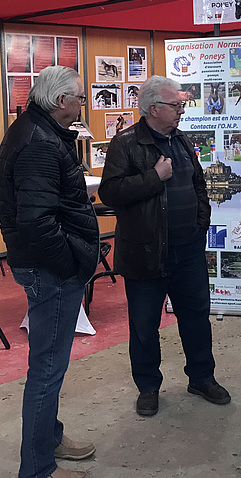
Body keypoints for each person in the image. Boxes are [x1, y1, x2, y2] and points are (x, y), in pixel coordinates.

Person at [98, 75, 230, 417]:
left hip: (188, 250)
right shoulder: (125, 143)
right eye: (176, 105)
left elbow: (198, 184)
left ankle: (202, 377)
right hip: (146, 251)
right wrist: (154, 177)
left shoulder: (182, 141)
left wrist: (201, 222)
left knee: (197, 318)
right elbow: (110, 193)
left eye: (181, 105)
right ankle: (148, 387)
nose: (181, 111)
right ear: (153, 108)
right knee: (144, 326)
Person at [0, 66, 100, 478]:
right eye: (79, 98)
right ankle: (36, 467)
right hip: (49, 269)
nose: (82, 105)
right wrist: (69, 264)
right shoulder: (40, 142)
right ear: (61, 101)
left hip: (43, 264)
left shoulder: (36, 130)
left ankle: (50, 438)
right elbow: (38, 222)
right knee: (47, 370)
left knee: (49, 365)